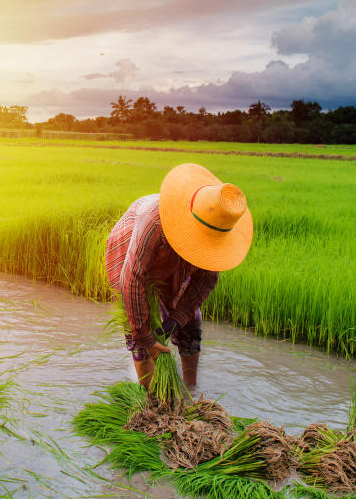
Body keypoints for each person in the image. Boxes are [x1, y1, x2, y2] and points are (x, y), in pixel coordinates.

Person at [105, 163, 253, 389]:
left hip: (174, 264)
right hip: (131, 254)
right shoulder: (155, 221)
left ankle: (191, 391)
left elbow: (205, 281)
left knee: (191, 322)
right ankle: (151, 403)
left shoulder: (215, 231)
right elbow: (132, 280)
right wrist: (147, 339)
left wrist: (176, 320)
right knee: (140, 332)